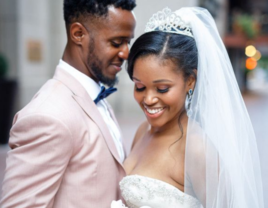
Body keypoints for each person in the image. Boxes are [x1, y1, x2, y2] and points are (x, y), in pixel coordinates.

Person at [118, 7, 264, 208]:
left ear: (190, 81)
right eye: (140, 86)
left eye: (162, 88)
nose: (148, 99)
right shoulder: (143, 131)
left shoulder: (197, 148)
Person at [1, 1, 136, 207]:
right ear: (78, 34)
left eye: (128, 42)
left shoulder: (94, 96)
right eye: (117, 42)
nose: (126, 53)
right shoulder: (47, 116)